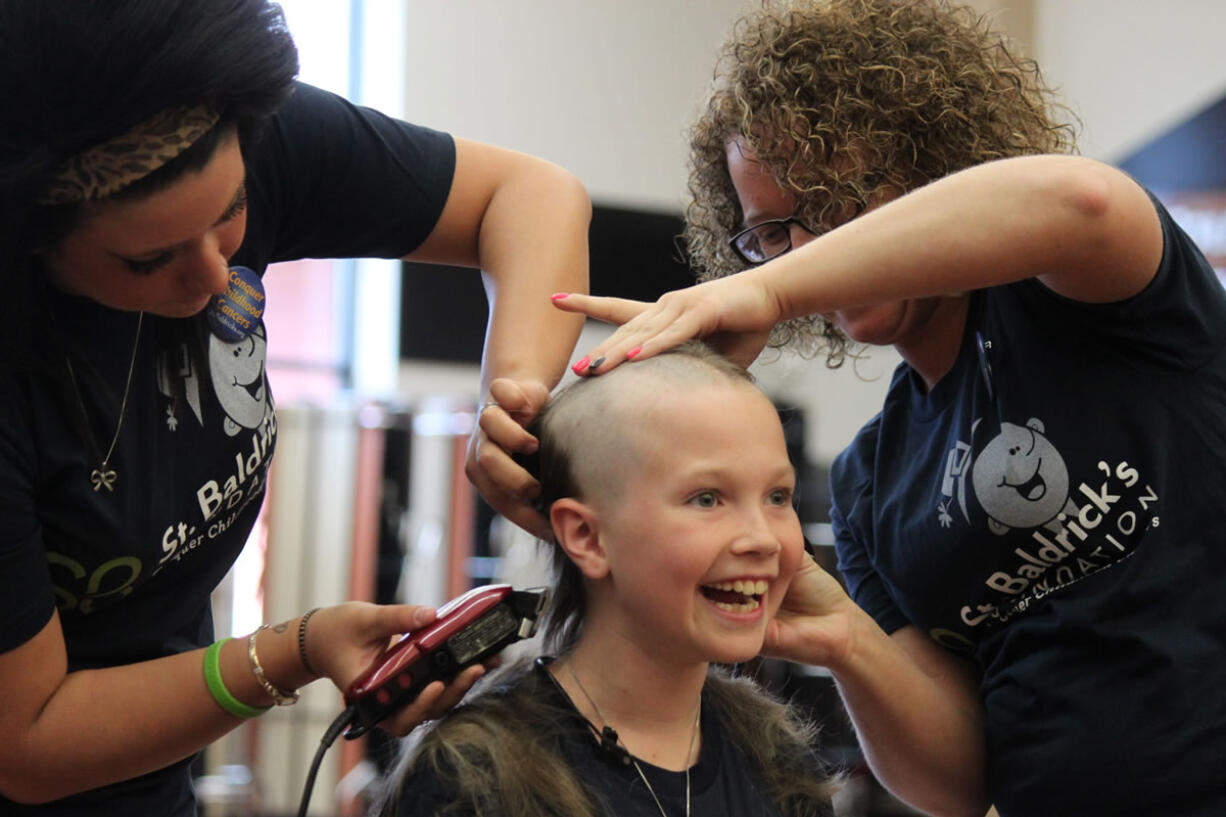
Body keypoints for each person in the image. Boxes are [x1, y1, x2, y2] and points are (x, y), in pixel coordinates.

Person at [548, 1, 1226, 816]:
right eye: (769, 233)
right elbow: (954, 782)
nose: (804, 252)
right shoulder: (873, 481)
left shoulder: (1094, 304)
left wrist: (764, 285)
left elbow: (1081, 200)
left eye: (833, 203)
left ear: (938, 168)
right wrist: (843, 636)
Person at [0, 1, 588, 814]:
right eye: (149, 259)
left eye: (232, 213)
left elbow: (532, 196)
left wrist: (512, 393)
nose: (214, 279)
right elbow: (29, 741)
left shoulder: (237, 129)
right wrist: (292, 651)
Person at [378, 342, 834, 817]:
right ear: (587, 537)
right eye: (706, 499)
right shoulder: (477, 779)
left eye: (778, 496)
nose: (764, 540)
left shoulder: (779, 764)